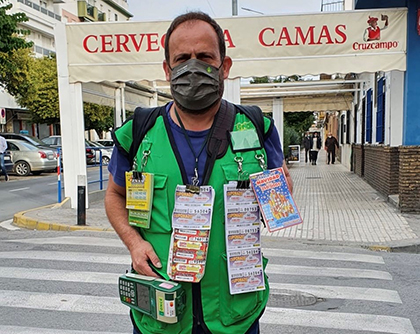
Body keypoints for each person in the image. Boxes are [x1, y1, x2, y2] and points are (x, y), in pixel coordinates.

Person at [105, 11, 293, 334]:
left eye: (205, 57)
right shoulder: (138, 133)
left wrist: (278, 198)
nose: (193, 67)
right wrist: (134, 244)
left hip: (235, 316)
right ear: (167, 69)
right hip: (161, 316)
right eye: (182, 59)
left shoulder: (256, 126)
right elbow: (114, 195)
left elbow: (281, 190)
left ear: (225, 66)